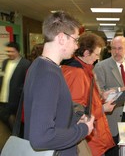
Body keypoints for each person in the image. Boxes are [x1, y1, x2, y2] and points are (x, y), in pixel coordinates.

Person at [23, 11, 94, 156]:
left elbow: (50, 115)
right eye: (75, 40)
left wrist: (73, 120)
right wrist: (83, 129)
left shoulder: (39, 65)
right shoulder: (49, 74)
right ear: (62, 38)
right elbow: (41, 137)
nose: (76, 46)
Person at [61, 32, 115, 156]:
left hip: (91, 136)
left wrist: (101, 97)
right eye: (96, 54)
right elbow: (76, 113)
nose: (97, 58)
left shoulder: (81, 69)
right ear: (86, 53)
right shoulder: (77, 74)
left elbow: (86, 100)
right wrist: (102, 108)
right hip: (88, 139)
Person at [94, 36, 125, 156]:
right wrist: (120, 89)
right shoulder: (101, 67)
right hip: (113, 117)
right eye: (113, 48)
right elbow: (99, 93)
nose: (116, 52)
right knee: (113, 152)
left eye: (120, 48)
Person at [0, 42, 30, 131]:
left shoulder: (25, 64)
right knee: (6, 122)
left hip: (16, 101)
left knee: (15, 124)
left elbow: (27, 83)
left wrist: (20, 93)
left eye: (12, 52)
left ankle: (17, 139)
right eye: (8, 52)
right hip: (3, 100)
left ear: (18, 51)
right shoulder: (5, 62)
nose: (9, 54)